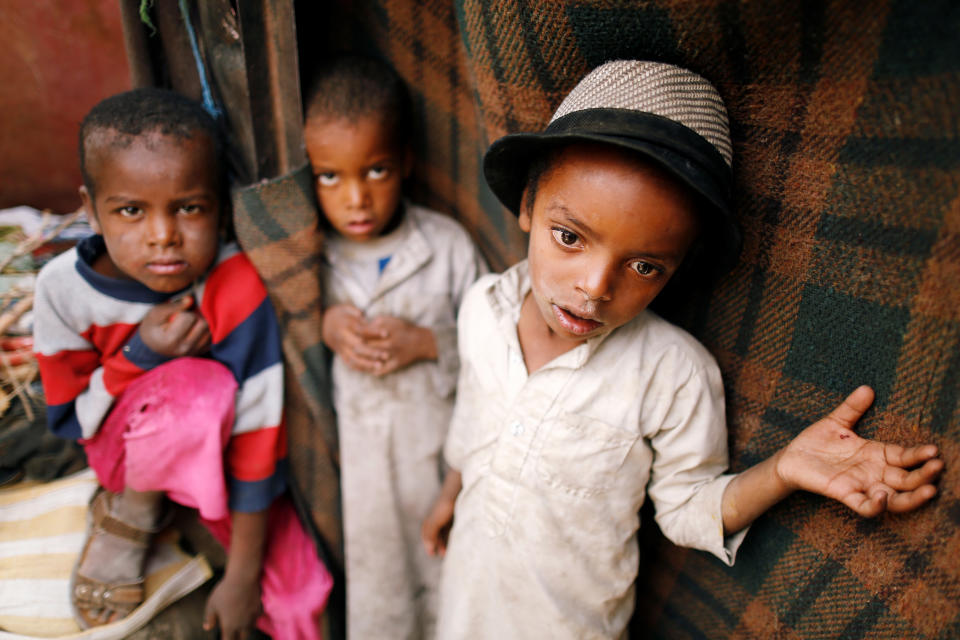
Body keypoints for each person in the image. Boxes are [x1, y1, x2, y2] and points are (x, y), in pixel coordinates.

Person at [420, 60, 945, 639]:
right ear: (526, 206)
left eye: (644, 266)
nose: (595, 287)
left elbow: (687, 508)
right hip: (464, 603)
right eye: (569, 237)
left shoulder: (672, 374)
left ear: (677, 269)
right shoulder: (481, 308)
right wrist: (452, 493)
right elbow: (473, 423)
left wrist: (785, 470)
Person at [32, 88, 332, 639]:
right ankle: (132, 517)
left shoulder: (234, 283)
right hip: (123, 456)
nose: (164, 235)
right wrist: (139, 356)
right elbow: (71, 420)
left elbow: (260, 431)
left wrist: (243, 575)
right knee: (200, 387)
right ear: (90, 208)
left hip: (226, 469)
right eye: (130, 211)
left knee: (300, 595)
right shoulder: (62, 290)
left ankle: (192, 515)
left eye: (189, 207)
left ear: (219, 207)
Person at [302, 55, 487, 639]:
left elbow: (499, 350)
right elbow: (283, 339)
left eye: (375, 171)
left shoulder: (447, 245)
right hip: (358, 481)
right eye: (330, 176)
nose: (355, 197)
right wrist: (324, 326)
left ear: (405, 162)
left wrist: (431, 342)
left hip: (437, 466)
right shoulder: (309, 265)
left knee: (451, 593)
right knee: (379, 598)